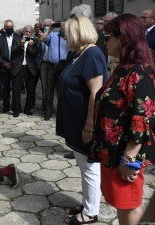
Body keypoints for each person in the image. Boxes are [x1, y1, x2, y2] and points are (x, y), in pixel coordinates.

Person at [91, 14, 155, 225]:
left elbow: (142, 118)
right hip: (112, 152)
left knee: (130, 207)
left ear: (123, 38)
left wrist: (129, 159)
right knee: (122, 204)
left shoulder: (138, 71)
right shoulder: (122, 68)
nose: (105, 40)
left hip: (125, 156)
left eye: (108, 35)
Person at [56, 15, 108, 224]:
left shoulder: (92, 54)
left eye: (67, 33)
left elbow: (96, 93)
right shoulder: (80, 54)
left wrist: (89, 126)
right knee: (84, 166)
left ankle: (91, 212)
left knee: (90, 168)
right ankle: (87, 203)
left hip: (85, 124)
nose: (65, 37)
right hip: (76, 121)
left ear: (77, 33)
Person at [41, 20, 68, 121]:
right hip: (52, 65)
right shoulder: (53, 35)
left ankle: (61, 111)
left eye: (63, 25)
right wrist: (50, 29)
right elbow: (42, 38)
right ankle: (48, 112)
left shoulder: (69, 36)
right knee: (49, 89)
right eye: (60, 25)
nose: (61, 27)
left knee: (61, 90)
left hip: (63, 65)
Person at [10, 25, 39, 117]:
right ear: (23, 32)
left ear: (32, 32)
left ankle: (27, 108)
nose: (27, 33)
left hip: (29, 68)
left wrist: (30, 47)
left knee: (30, 90)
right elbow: (13, 51)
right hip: (18, 67)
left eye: (29, 32)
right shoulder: (16, 39)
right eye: (26, 31)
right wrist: (21, 45)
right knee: (16, 90)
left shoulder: (34, 40)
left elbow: (36, 54)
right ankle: (16, 109)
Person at [0, 19, 20, 114]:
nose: (9, 28)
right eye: (7, 27)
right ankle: (6, 107)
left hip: (15, 67)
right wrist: (3, 63)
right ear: (4, 28)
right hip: (4, 67)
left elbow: (20, 52)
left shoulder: (18, 37)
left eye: (11, 27)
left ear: (13, 27)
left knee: (15, 89)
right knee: (5, 88)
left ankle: (15, 108)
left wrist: (14, 63)